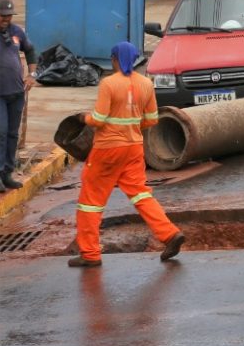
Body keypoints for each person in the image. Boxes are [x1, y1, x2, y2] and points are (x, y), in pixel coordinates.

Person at [70, 41, 185, 267]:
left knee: (90, 201)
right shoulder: (145, 84)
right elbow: (152, 119)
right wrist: (131, 125)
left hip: (107, 149)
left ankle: (90, 253)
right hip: (133, 148)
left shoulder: (108, 84)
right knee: (141, 194)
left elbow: (99, 119)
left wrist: (84, 117)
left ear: (114, 59)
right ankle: (170, 234)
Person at [0, 0, 36, 190]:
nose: (6, 19)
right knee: (0, 132)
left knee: (13, 134)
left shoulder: (16, 32)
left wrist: (32, 74)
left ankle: (7, 174)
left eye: (9, 16)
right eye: (3, 15)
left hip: (16, 93)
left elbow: (30, 51)